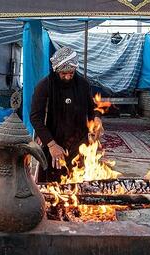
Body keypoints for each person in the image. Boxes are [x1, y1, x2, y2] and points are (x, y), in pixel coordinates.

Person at [30, 46, 103, 183]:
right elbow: (35, 118)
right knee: (53, 184)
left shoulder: (83, 84)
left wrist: (97, 119)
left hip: (80, 143)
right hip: (54, 141)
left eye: (71, 72)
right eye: (64, 73)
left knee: (79, 182)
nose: (68, 76)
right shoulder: (44, 86)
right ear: (56, 69)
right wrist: (51, 145)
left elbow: (93, 107)